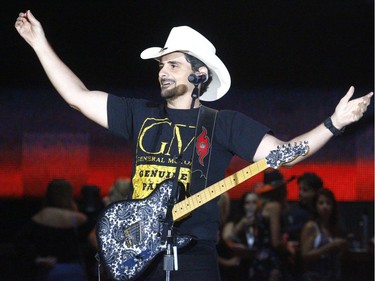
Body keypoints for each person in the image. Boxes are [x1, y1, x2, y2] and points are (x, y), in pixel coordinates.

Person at [14, 10, 372, 281]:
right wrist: (39, 44)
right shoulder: (140, 113)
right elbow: (78, 97)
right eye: (160, 65)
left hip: (194, 254)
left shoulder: (225, 124)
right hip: (136, 251)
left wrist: (335, 123)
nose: (162, 71)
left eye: (172, 63)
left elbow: (288, 153)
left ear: (198, 75)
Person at [15, 179, 88, 281]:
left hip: (48, 270)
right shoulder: (78, 218)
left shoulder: (40, 216)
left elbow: (20, 241)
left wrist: (38, 259)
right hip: (73, 270)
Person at [299, 188, 348, 281]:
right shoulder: (311, 227)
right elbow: (305, 255)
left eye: (328, 203)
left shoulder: (335, 228)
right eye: (321, 203)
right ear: (316, 206)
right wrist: (330, 246)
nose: (325, 207)